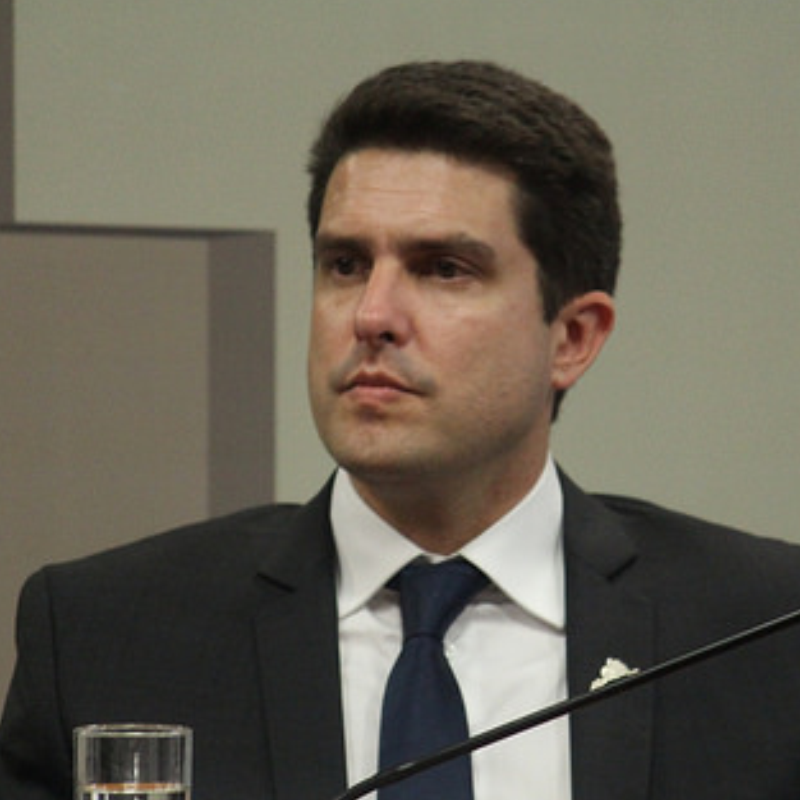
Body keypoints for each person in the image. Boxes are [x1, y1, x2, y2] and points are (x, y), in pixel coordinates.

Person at [2, 60, 800, 800]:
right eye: (345, 264)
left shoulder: (765, 634)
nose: (371, 315)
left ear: (572, 338)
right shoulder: (106, 636)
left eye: (444, 268)